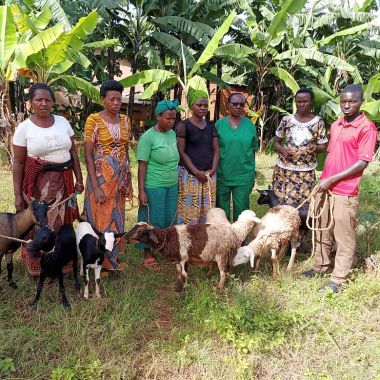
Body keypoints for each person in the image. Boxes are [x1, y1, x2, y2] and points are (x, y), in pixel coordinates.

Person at [302, 84, 377, 293]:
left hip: (345, 190)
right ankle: (321, 267)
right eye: (343, 101)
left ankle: (339, 279)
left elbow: (362, 162)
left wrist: (332, 179)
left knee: (343, 236)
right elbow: (333, 153)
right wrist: (324, 179)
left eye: (351, 101)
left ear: (361, 102)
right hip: (326, 185)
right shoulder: (336, 125)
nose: (346, 105)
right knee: (321, 229)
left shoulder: (366, 128)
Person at [13, 83, 83, 275]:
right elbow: (18, 164)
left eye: (47, 100)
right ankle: (36, 260)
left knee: (61, 220)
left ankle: (60, 258)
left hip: (64, 180)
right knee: (39, 220)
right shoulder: (24, 128)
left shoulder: (63, 122)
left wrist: (79, 179)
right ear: (30, 103)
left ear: (53, 102)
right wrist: (18, 194)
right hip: (37, 184)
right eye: (39, 99)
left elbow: (74, 154)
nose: (44, 103)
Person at [82, 80, 132, 271]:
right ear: (103, 99)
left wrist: (128, 181)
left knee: (116, 215)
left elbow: (126, 151)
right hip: (100, 177)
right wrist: (95, 186)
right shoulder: (93, 120)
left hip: (119, 177)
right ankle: (97, 261)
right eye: (112, 99)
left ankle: (112, 259)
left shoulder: (126, 120)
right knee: (99, 217)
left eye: (119, 99)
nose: (116, 103)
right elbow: (87, 154)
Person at [136, 100, 180, 270]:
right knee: (151, 220)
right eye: (168, 118)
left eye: (174, 119)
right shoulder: (147, 137)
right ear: (158, 117)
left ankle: (165, 249)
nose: (171, 121)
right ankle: (147, 252)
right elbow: (142, 165)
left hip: (171, 184)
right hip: (153, 185)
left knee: (169, 220)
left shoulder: (172, 134)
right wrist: (141, 191)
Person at [273, 88, 328, 205]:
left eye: (305, 101)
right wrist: (282, 150)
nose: (302, 104)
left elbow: (323, 146)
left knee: (302, 205)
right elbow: (276, 142)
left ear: (311, 102)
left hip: (305, 171)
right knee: (281, 203)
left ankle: (301, 223)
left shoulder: (318, 122)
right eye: (299, 102)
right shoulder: (286, 120)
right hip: (284, 169)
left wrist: (315, 148)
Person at [176, 90, 219, 224]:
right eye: (199, 105)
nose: (202, 108)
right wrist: (196, 172)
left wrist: (212, 170)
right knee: (188, 211)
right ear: (191, 106)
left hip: (209, 175)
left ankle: (204, 240)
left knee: (207, 212)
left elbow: (216, 149)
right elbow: (181, 151)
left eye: (205, 105)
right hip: (189, 175)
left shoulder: (211, 126)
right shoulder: (183, 126)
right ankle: (187, 240)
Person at [215, 93, 258, 222]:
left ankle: (241, 240)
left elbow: (253, 150)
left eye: (241, 104)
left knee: (242, 210)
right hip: (223, 174)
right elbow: (214, 149)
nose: (238, 107)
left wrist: (251, 173)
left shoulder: (249, 125)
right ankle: (224, 239)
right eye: (235, 104)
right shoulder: (219, 124)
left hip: (243, 175)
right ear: (227, 105)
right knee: (221, 210)